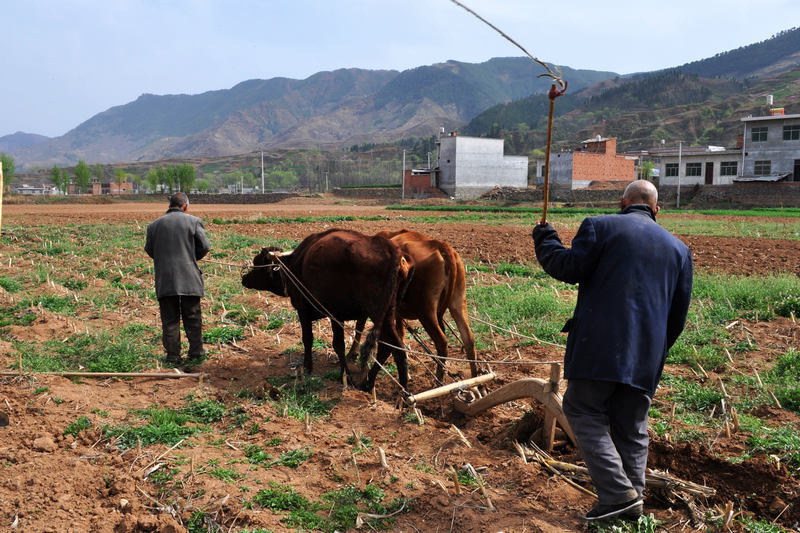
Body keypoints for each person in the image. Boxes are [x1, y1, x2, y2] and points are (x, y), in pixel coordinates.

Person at [531, 180, 693, 522]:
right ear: (656, 209)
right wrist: (653, 352)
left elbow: (567, 267)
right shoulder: (679, 249)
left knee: (582, 409)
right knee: (632, 428)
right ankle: (631, 507)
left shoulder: (599, 226)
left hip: (598, 349)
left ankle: (618, 494)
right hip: (646, 359)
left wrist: (546, 238)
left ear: (623, 202)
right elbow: (677, 317)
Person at [145, 192, 211, 367]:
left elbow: (150, 250)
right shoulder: (194, 221)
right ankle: (196, 353)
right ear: (185, 206)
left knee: (170, 319)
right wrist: (191, 257)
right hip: (189, 277)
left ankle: (173, 356)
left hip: (165, 279)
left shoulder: (153, 226)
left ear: (170, 206)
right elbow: (205, 246)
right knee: (193, 316)